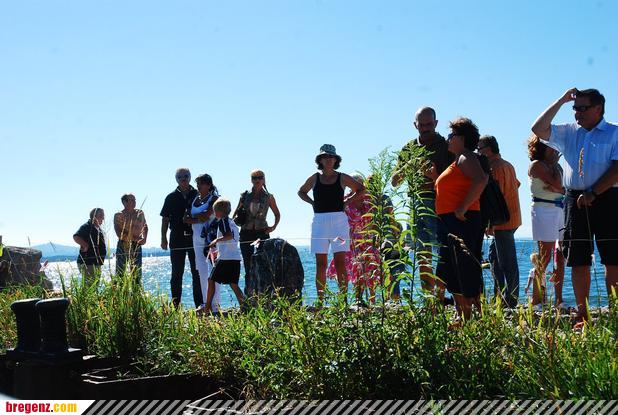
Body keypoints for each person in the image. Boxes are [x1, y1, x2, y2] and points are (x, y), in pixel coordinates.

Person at [531, 88, 618, 324]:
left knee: (613, 258)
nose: (577, 113)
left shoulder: (614, 132)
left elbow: (617, 168)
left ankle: (615, 313)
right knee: (578, 258)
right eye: (574, 108)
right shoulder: (569, 132)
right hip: (574, 199)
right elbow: (538, 129)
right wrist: (561, 100)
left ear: (598, 109)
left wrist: (594, 192)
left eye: (582, 108)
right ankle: (583, 314)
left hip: (608, 198)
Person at [427, 118, 488, 320]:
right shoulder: (459, 159)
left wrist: (463, 207)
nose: (448, 139)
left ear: (462, 138)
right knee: (450, 267)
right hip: (449, 221)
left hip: (460, 220)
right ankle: (463, 315)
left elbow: (481, 179)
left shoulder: (465, 156)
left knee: (463, 267)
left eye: (451, 135)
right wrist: (435, 178)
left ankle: (470, 316)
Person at [392, 107, 454, 300]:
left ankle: (441, 297)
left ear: (436, 123)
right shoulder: (409, 148)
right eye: (422, 125)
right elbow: (394, 181)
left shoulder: (446, 146)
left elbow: (456, 181)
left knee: (444, 252)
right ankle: (429, 300)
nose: (426, 128)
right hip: (416, 204)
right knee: (422, 254)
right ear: (415, 125)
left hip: (441, 203)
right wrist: (410, 165)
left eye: (429, 124)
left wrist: (435, 176)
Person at [298, 144, 365, 302]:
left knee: (340, 262)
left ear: (336, 160)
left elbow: (361, 189)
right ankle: (320, 301)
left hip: (339, 223)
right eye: (325, 157)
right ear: (320, 160)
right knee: (320, 263)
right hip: (319, 223)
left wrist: (347, 202)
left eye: (331, 157)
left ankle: (343, 301)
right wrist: (312, 203)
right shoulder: (315, 177)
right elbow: (301, 192)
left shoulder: (342, 177)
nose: (328, 159)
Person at [477, 135, 522, 308]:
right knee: (494, 256)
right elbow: (516, 184)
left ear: (488, 150)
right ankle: (500, 296)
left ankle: (510, 300)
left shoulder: (494, 167)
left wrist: (489, 223)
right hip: (512, 217)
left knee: (506, 261)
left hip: (502, 220)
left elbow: (495, 196)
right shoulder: (508, 165)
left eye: (479, 149)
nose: (478, 152)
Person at [326, 173, 381, 304]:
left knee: (368, 269)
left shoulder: (369, 200)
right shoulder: (344, 200)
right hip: (348, 240)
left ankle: (367, 300)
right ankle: (348, 299)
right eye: (354, 183)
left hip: (366, 240)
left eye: (360, 183)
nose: (357, 185)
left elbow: (375, 220)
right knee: (350, 268)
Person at [527, 135, 566, 309]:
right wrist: (558, 187)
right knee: (545, 256)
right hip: (543, 210)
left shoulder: (555, 166)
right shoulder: (537, 165)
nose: (555, 149)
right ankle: (536, 300)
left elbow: (563, 188)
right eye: (551, 146)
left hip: (559, 209)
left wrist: (558, 188)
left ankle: (559, 300)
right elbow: (558, 183)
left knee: (561, 256)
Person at [233, 169, 281, 296]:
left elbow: (277, 214)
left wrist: (273, 227)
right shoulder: (244, 195)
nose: (257, 180)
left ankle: (265, 295)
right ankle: (249, 295)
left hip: (262, 232)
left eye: (260, 177)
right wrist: (236, 221)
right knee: (248, 266)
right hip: (246, 232)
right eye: (254, 178)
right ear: (251, 180)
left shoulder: (269, 197)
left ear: (264, 179)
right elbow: (235, 213)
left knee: (264, 264)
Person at [160, 168, 201, 308]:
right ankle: (176, 306)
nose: (183, 178)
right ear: (176, 179)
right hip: (176, 238)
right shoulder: (170, 197)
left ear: (190, 177)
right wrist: (163, 238)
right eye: (180, 177)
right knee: (177, 273)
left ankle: (200, 306)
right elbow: (165, 219)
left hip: (195, 237)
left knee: (197, 272)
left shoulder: (197, 194)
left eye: (186, 176)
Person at [202, 198, 245, 313]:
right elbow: (231, 241)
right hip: (235, 257)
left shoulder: (223, 221)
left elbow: (229, 235)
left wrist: (215, 240)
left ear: (219, 212)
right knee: (233, 284)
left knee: (211, 280)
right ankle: (244, 306)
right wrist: (218, 250)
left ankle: (207, 308)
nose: (214, 213)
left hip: (225, 259)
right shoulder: (232, 222)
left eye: (215, 211)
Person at [190, 174, 221, 312]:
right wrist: (198, 217)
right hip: (196, 238)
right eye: (197, 184)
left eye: (201, 183)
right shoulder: (195, 199)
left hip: (211, 239)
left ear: (208, 185)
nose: (198, 186)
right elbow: (185, 218)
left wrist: (194, 217)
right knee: (202, 271)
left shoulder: (214, 199)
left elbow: (206, 216)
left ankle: (215, 304)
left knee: (213, 271)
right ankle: (205, 302)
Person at [113, 194, 148, 281]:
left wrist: (145, 238)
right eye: (131, 200)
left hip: (137, 245)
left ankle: (136, 288)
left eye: (134, 200)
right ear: (124, 202)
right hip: (123, 244)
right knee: (120, 271)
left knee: (137, 272)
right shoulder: (119, 215)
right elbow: (119, 234)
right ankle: (120, 288)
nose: (134, 202)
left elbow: (145, 226)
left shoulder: (140, 213)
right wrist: (136, 238)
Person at [73, 208, 107, 286]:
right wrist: (85, 245)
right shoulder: (87, 226)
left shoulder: (98, 229)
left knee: (95, 285)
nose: (103, 218)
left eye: (103, 216)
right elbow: (76, 236)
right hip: (88, 262)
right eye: (101, 216)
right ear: (94, 217)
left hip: (96, 263)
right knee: (89, 286)